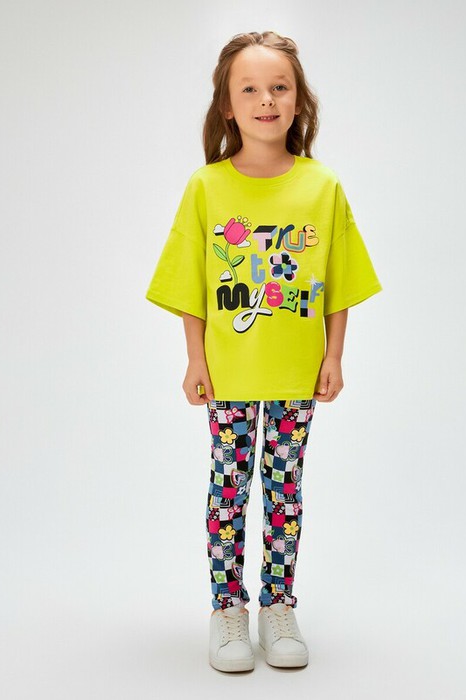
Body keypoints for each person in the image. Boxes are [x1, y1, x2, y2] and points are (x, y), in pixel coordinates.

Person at [145, 30, 383, 673]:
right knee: (228, 490)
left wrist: (334, 356)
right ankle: (228, 610)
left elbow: (339, 281)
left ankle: (278, 606)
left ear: (300, 100)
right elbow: (191, 286)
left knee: (284, 492)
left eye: (279, 87)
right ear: (227, 106)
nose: (266, 100)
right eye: (249, 89)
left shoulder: (322, 186)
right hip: (229, 375)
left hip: (294, 375)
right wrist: (196, 360)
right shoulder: (206, 187)